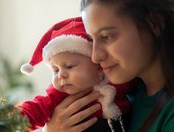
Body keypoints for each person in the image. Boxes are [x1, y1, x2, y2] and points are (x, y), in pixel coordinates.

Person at [46, 0, 174, 132]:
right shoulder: (126, 94)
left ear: (155, 23)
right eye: (91, 40)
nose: (95, 57)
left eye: (106, 37)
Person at [17, 17, 133, 131]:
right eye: (55, 70)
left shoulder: (118, 80)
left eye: (69, 66)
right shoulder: (58, 95)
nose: (60, 75)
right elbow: (35, 108)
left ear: (98, 67)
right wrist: (12, 118)